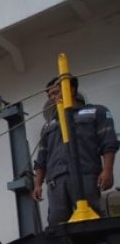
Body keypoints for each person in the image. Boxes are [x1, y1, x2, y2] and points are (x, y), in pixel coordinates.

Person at [33, 75, 118, 225]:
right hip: (56, 181)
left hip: (86, 174)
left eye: (55, 93)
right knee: (57, 223)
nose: (52, 98)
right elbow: (42, 157)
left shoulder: (96, 112)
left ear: (70, 89)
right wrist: (38, 184)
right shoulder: (49, 126)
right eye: (50, 95)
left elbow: (108, 142)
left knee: (93, 220)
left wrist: (108, 171)